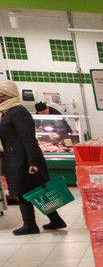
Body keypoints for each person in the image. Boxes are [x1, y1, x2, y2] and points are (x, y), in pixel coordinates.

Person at [0, 80, 66, 235]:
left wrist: (33, 162)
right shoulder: (6, 112)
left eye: (1, 95)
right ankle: (56, 220)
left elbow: (28, 139)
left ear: (8, 94)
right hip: (15, 158)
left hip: (23, 159)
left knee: (24, 191)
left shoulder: (18, 112)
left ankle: (30, 225)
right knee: (33, 190)